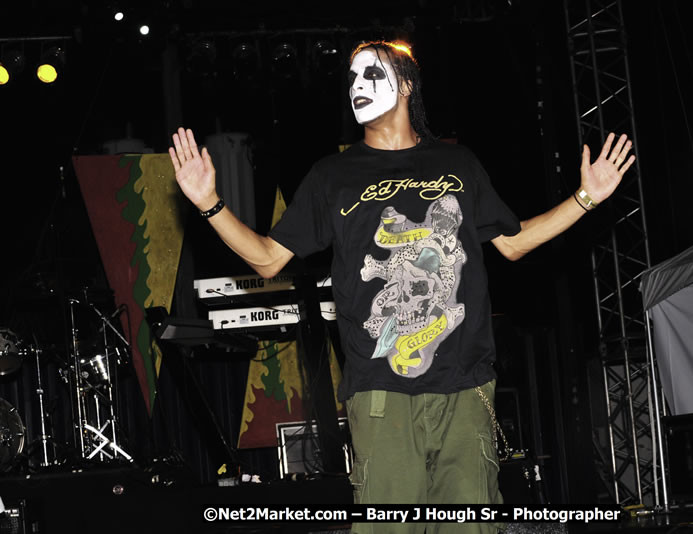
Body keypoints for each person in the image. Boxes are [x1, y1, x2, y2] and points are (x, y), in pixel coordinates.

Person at [170, 40, 634, 533]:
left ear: (408, 84)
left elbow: (514, 243)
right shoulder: (332, 175)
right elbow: (267, 260)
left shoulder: (458, 164)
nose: (357, 85)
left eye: (371, 73)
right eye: (352, 78)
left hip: (465, 387)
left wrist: (586, 198)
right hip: (380, 392)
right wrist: (209, 203)